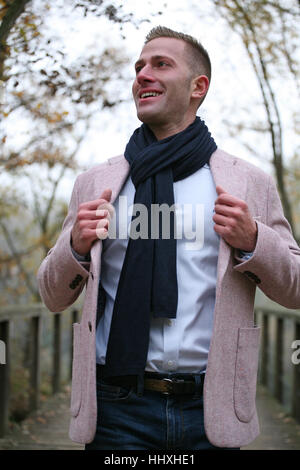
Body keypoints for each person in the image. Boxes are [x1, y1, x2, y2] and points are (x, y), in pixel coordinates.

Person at [37, 26, 300, 450]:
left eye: (161, 64)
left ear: (199, 87)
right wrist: (75, 248)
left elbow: (295, 289)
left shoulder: (247, 183)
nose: (142, 74)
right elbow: (51, 295)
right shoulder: (96, 182)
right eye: (139, 66)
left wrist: (254, 239)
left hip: (211, 406)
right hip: (115, 407)